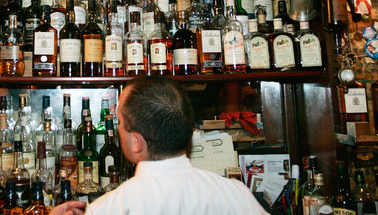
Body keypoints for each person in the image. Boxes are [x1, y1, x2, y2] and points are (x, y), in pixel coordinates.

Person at [51, 76, 268, 215]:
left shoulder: (110, 207)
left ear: (136, 142)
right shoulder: (235, 194)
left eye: (120, 123)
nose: (117, 129)